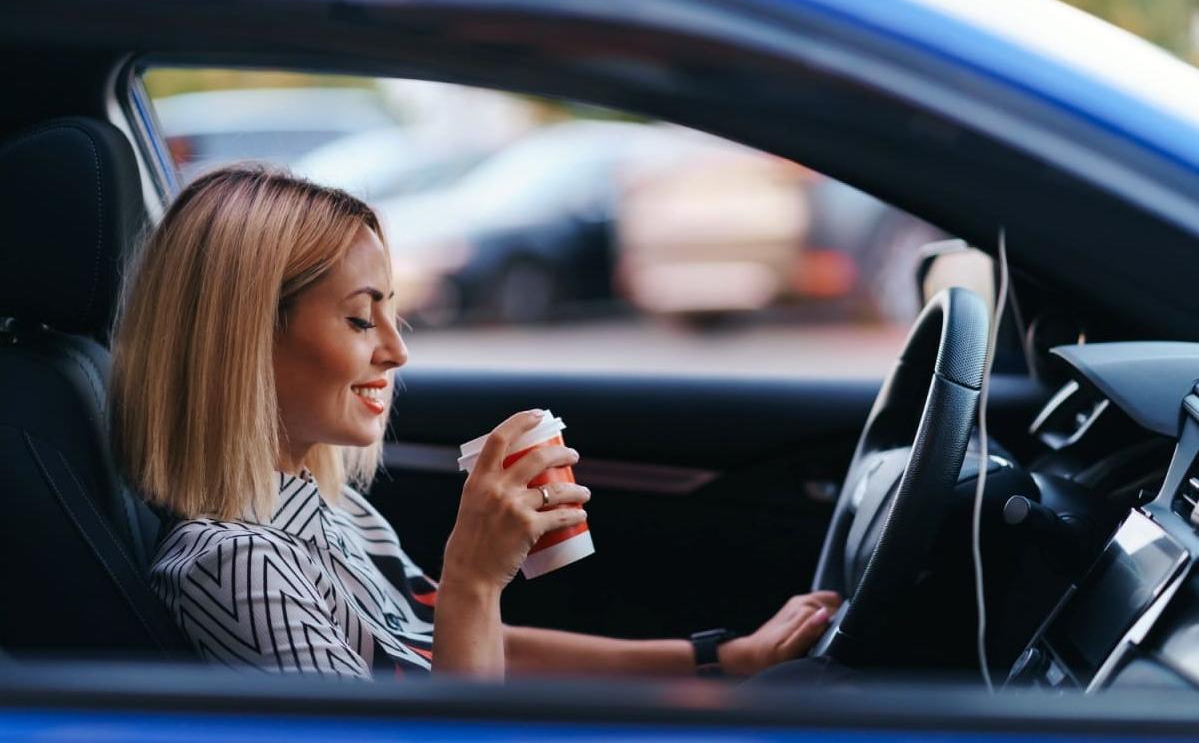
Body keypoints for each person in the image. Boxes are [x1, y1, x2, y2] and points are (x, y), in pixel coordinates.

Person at [110, 165, 841, 679]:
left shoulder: (334, 514)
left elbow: (469, 648)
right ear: (246, 337)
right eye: (360, 317)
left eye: (393, 313)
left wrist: (720, 659)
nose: (396, 349)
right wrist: (472, 577)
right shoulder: (234, 563)